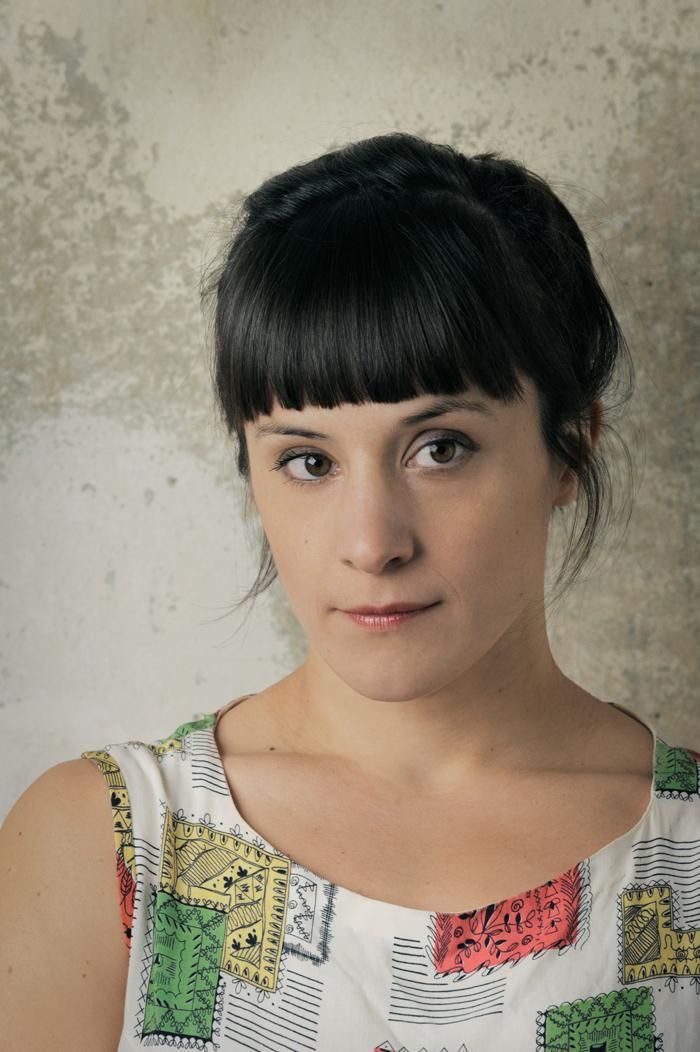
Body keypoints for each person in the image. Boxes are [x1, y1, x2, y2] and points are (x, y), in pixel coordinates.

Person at [1, 131, 698, 1050]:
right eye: (308, 460)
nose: (373, 545)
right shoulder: (105, 846)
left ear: (568, 448)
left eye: (440, 448)